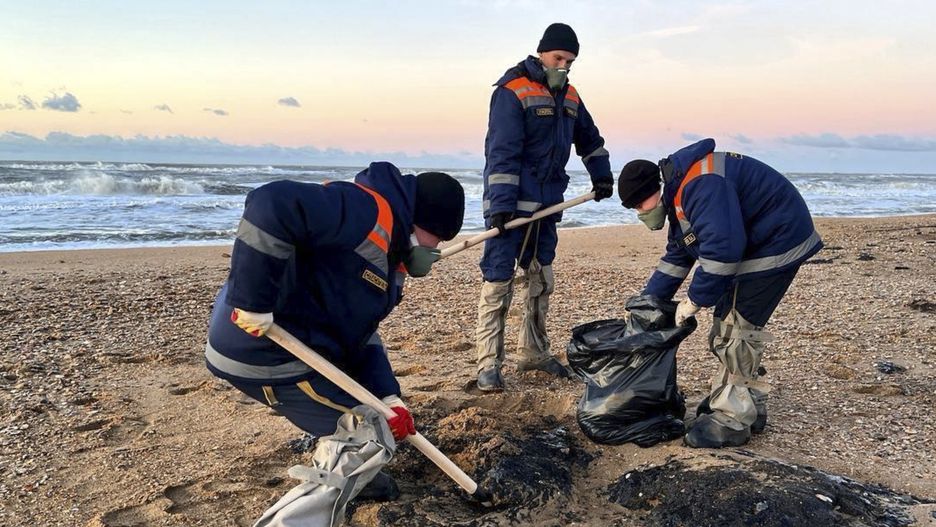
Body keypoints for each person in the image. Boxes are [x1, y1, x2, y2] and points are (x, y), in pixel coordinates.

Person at [204, 161, 465, 498]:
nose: (436, 249)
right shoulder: (363, 211)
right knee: (372, 436)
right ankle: (309, 506)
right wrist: (252, 302)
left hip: (307, 345)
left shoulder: (391, 258)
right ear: (420, 219)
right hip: (262, 349)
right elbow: (271, 204)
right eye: (437, 238)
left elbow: (361, 335)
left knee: (377, 418)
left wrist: (388, 394)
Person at [618, 138, 823, 448]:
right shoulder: (680, 194)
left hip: (777, 241)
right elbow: (679, 254)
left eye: (639, 205)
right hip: (758, 240)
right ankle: (747, 401)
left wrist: (694, 301)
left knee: (735, 329)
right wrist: (648, 303)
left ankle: (733, 419)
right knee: (730, 324)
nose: (639, 213)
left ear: (653, 192)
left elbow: (723, 251)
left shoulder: (700, 186)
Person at [475, 23, 615, 392]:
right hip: (512, 206)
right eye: (559, 58)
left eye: (570, 61)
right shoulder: (512, 90)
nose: (564, 66)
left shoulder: (570, 96)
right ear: (542, 53)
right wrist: (501, 206)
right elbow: (501, 152)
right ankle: (488, 364)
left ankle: (533, 352)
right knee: (498, 280)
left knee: (540, 278)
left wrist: (601, 175)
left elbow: (590, 139)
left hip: (548, 205)